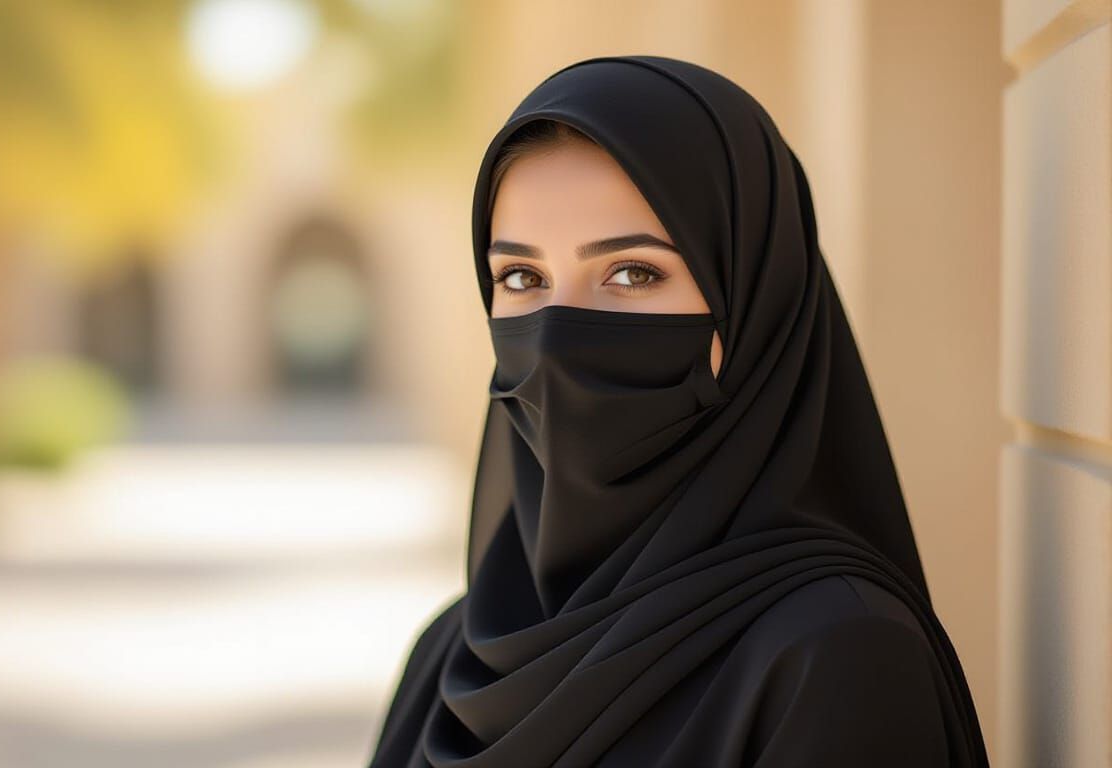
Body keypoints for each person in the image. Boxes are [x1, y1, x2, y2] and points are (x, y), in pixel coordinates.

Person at [366, 55, 990, 767]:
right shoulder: (451, 657)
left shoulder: (837, 655)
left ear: (754, 303)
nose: (556, 334)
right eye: (522, 276)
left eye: (633, 273)